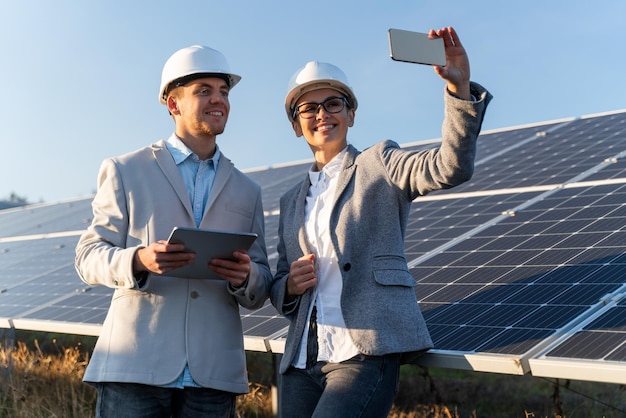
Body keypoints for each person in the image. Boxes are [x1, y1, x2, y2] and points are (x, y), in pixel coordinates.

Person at [270, 26, 492, 417]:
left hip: (364, 352)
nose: (323, 114)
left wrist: (458, 91)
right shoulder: (291, 202)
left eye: (334, 103)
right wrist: (288, 284)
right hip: (302, 359)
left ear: (351, 114)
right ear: (295, 125)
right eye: (309, 108)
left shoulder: (380, 162)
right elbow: (278, 288)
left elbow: (449, 167)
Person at [75, 45, 273, 417]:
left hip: (213, 378)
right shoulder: (125, 169)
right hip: (135, 367)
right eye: (204, 91)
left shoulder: (248, 190)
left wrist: (246, 276)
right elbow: (88, 256)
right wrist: (138, 259)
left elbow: (261, 282)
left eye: (224, 92)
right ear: (173, 104)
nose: (219, 100)